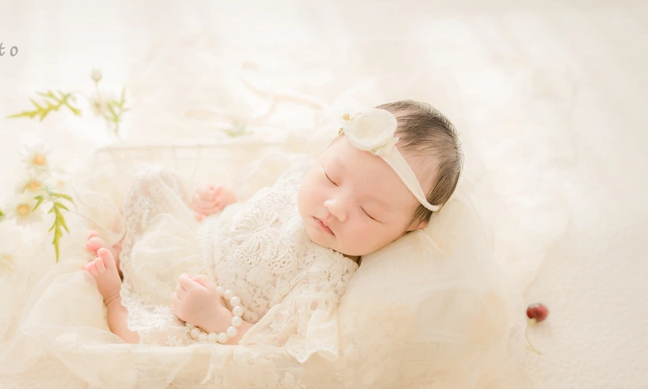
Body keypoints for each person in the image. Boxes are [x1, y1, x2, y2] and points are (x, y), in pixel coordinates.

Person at [80, 100, 462, 363]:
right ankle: (125, 247)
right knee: (152, 180)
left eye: (369, 211)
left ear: (409, 228)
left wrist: (213, 317)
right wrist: (227, 203)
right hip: (196, 235)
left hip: (197, 300)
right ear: (327, 151)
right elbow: (263, 205)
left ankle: (114, 297)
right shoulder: (300, 177)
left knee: (149, 344)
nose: (335, 206)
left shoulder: (323, 281)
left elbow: (268, 349)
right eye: (331, 176)